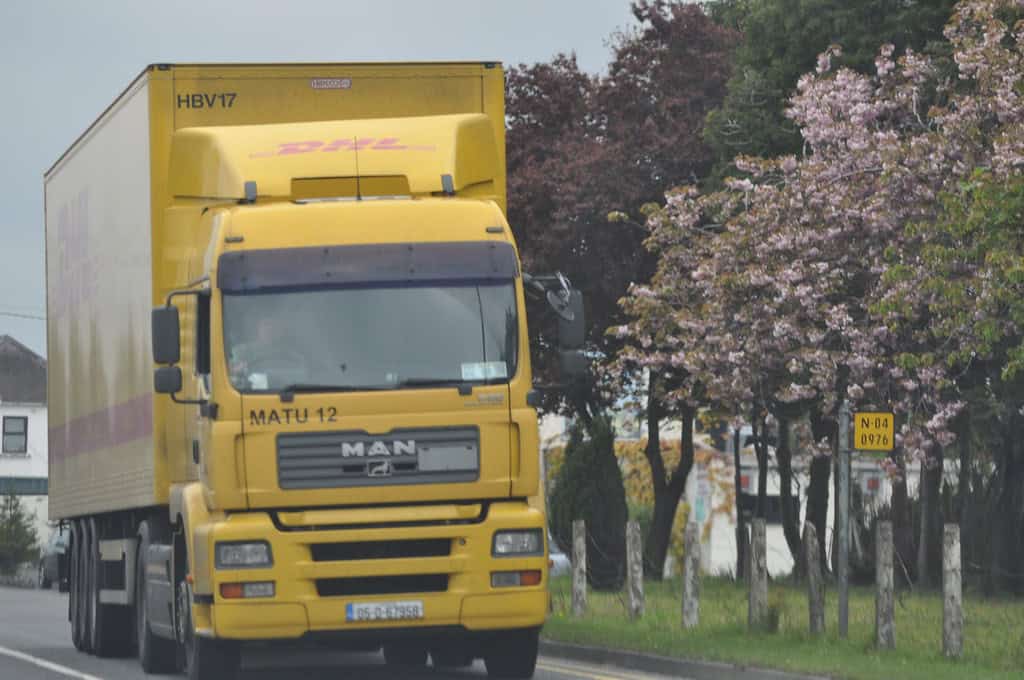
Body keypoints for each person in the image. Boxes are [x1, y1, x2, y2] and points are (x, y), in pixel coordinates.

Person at [229, 315, 307, 390]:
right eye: (266, 324)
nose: (270, 328)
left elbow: (302, 377)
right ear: (258, 327)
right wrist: (238, 370)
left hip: (286, 394)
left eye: (275, 325)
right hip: (250, 395)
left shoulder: (292, 356)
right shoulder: (242, 351)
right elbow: (231, 375)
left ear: (281, 330)